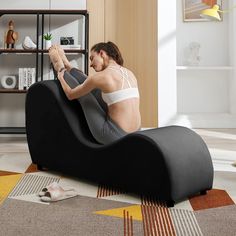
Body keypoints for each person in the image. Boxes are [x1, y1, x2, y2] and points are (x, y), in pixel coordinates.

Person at [48, 42, 141, 144]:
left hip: (113, 135)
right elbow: (90, 82)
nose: (91, 64)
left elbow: (70, 94)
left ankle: (60, 66)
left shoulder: (101, 77)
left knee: (85, 95)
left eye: (92, 58)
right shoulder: (129, 73)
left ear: (101, 53)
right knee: (93, 89)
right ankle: (67, 64)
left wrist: (60, 76)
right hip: (136, 134)